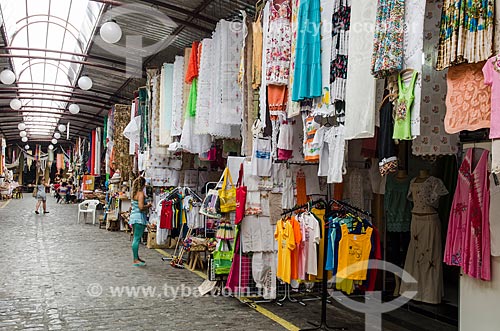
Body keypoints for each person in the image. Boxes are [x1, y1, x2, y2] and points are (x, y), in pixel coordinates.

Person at [129, 177, 151, 267]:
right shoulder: (140, 194)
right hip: (139, 218)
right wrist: (148, 205)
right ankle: (135, 259)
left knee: (136, 238)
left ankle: (136, 257)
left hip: (134, 217)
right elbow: (141, 207)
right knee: (137, 238)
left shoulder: (134, 194)